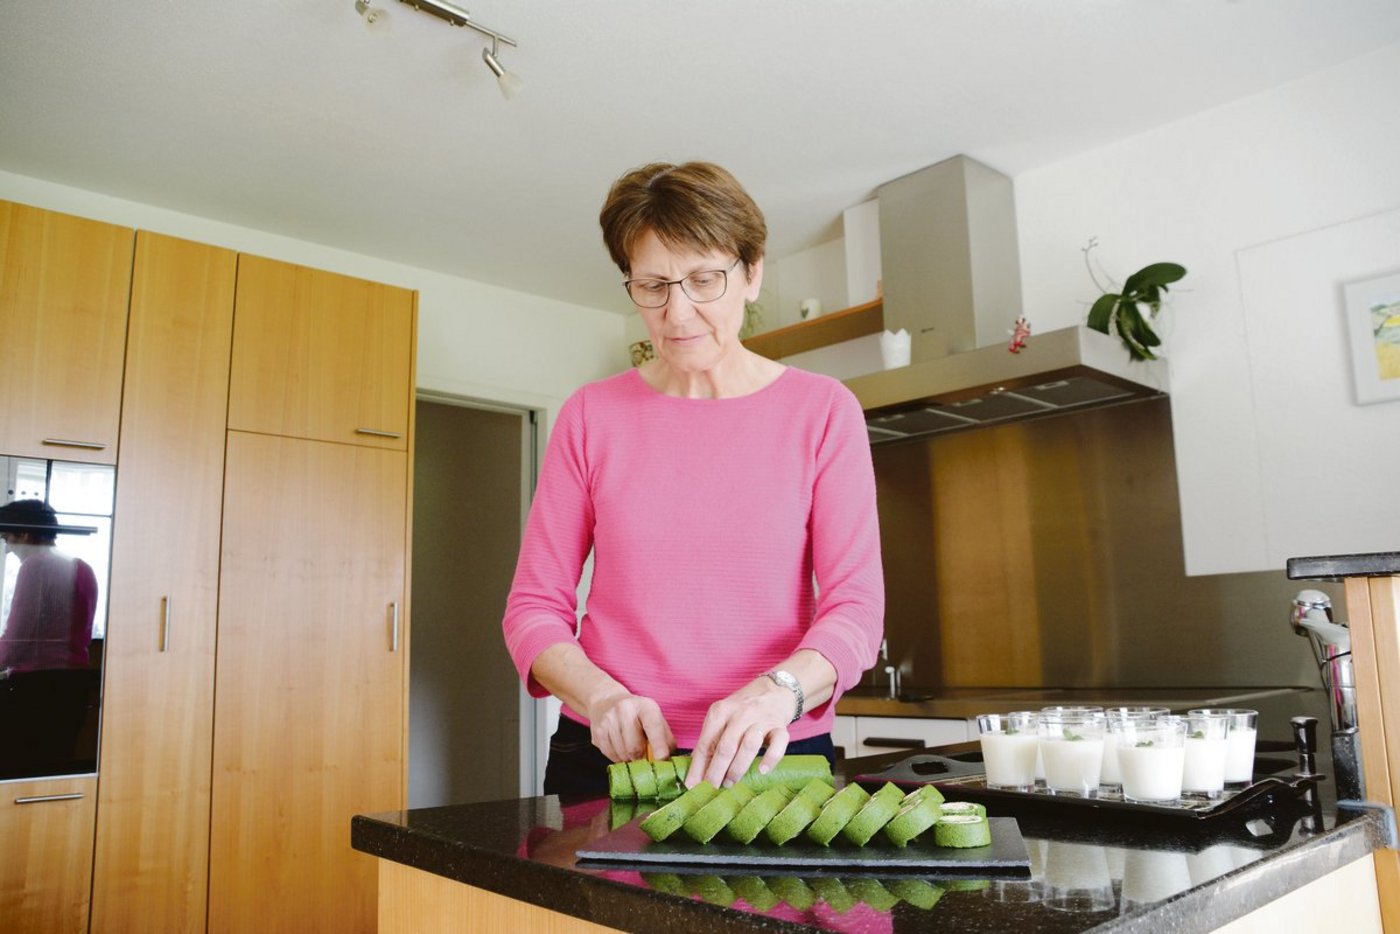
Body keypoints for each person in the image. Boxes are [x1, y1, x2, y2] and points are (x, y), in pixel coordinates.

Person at [502, 161, 884, 797]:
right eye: (652, 285)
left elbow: (857, 608)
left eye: (704, 280)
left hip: (774, 752)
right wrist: (601, 697)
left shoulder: (822, 411)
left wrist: (778, 693)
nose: (677, 312)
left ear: (752, 273)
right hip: (610, 759)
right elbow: (532, 609)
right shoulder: (591, 416)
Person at [0, 498, 99, 675]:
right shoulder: (83, 568)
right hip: (74, 679)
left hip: (37, 681)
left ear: (24, 534)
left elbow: (16, 640)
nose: (7, 549)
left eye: (7, 538)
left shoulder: (35, 566)